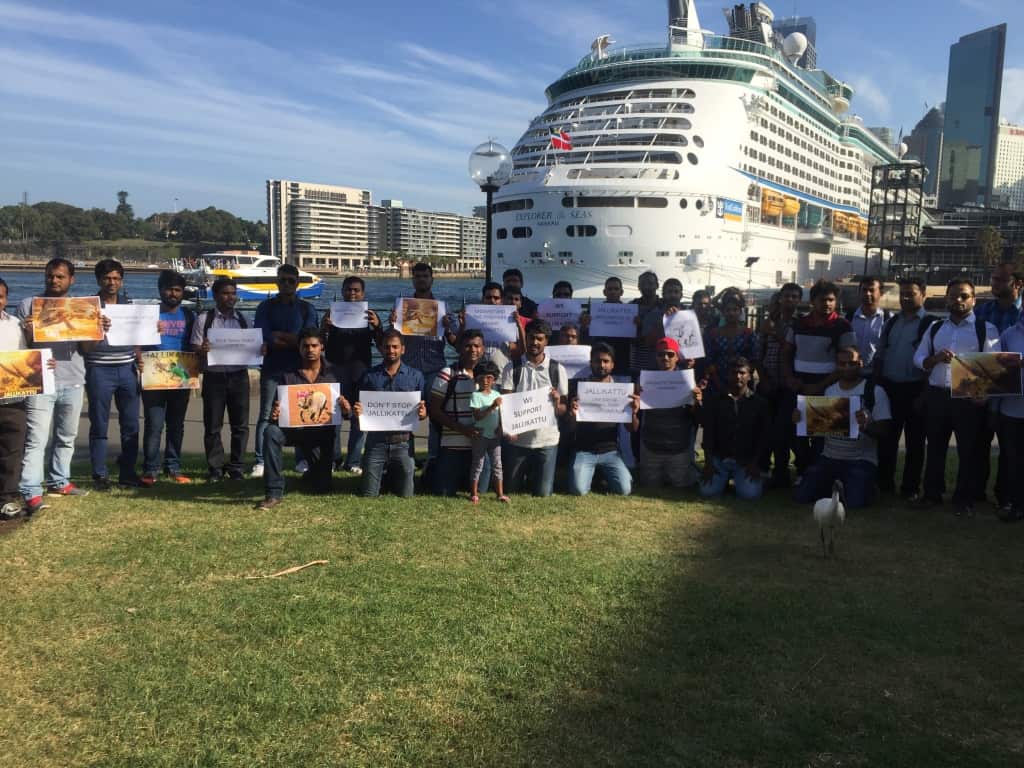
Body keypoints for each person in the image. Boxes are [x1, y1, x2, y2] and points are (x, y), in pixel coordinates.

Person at [913, 279, 1000, 516]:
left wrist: (984, 394)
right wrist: (934, 359)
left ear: (974, 299)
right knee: (935, 448)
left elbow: (994, 367)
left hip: (968, 400)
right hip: (937, 396)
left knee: (969, 451)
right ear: (946, 298)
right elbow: (919, 359)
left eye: (964, 296)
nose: (958, 300)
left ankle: (964, 499)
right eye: (953, 296)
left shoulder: (986, 329)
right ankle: (932, 494)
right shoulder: (934, 328)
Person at [17, 258, 91, 513]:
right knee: (36, 439)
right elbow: (20, 351)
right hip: (41, 382)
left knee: (66, 437)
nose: (54, 280)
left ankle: (60, 481)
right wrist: (28, 331)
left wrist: (93, 330)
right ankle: (31, 489)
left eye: (60, 276)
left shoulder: (81, 307)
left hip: (73, 380)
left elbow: (88, 349)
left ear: (72, 279)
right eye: (50, 276)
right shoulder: (29, 305)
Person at [793, 347, 892, 509]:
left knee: (854, 503)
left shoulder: (875, 391)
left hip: (860, 460)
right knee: (801, 496)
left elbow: (885, 430)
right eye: (842, 364)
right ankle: (836, 485)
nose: (847, 367)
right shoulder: (830, 390)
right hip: (829, 457)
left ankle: (865, 487)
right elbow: (818, 428)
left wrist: (866, 426)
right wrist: (801, 419)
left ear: (861, 364)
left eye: (852, 363)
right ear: (836, 366)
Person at [257, 329, 342, 509]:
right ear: (299, 348)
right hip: (293, 430)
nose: (310, 349)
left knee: (322, 488)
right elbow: (276, 409)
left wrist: (347, 409)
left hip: (321, 433)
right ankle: (273, 492)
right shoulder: (287, 374)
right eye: (305, 346)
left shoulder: (335, 373)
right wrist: (275, 413)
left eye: (314, 345)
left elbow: (346, 411)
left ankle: (313, 474)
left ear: (322, 347)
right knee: (271, 432)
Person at [782, 280, 855, 480]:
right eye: (823, 300)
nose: (828, 304)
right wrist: (789, 377)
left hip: (828, 387)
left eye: (831, 300)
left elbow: (846, 362)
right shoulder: (798, 324)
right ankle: (802, 471)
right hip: (798, 386)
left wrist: (820, 386)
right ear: (812, 301)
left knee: (822, 436)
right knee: (797, 432)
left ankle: (816, 475)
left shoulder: (842, 326)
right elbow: (786, 353)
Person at [872, 278, 937, 499]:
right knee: (887, 440)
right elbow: (881, 354)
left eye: (911, 293)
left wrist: (925, 394)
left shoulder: (931, 324)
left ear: (924, 294)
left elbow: (932, 364)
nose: (906, 298)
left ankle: (910, 488)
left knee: (915, 442)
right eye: (903, 294)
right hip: (890, 389)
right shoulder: (891, 322)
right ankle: (884, 483)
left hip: (916, 390)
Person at [252, 264, 319, 478]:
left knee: (302, 413)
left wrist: (282, 337)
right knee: (265, 415)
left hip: (300, 370)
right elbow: (264, 335)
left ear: (298, 282)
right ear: (277, 282)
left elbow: (308, 337)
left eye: (291, 280)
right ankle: (261, 461)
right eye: (283, 280)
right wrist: (289, 339)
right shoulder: (265, 307)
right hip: (272, 368)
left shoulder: (307, 308)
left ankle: (302, 459)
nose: (287, 284)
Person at [85, 259, 143, 490]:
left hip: (127, 370)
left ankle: (128, 473)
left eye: (117, 278)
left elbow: (137, 336)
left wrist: (150, 335)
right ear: (99, 280)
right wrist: (97, 329)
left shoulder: (129, 305)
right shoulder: (89, 307)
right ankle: (100, 474)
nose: (112, 282)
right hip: (99, 369)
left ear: (122, 280)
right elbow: (84, 348)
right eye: (107, 278)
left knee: (131, 424)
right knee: (99, 424)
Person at [350, 329, 426, 498]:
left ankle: (390, 477)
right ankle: (382, 477)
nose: (391, 351)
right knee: (369, 494)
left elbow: (421, 412)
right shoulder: (369, 376)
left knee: (407, 495)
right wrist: (358, 411)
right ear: (380, 349)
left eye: (395, 347)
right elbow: (359, 407)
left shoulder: (416, 376)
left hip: (404, 444)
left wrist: (422, 413)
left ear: (403, 349)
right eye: (387, 347)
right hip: (376, 442)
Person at [500, 319, 568, 497]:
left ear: (546, 341)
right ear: (525, 338)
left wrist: (557, 401)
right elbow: (505, 405)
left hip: (547, 441)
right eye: (531, 338)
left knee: (543, 494)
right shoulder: (512, 367)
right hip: (517, 441)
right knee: (511, 490)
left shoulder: (557, 369)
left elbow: (562, 410)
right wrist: (508, 430)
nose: (534, 342)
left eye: (539, 338)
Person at [191, 276, 250, 482]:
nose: (230, 297)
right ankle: (215, 468)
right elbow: (195, 348)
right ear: (215, 295)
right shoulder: (204, 319)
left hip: (239, 376)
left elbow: (250, 346)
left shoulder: (243, 319)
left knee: (240, 425)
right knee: (213, 425)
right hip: (214, 376)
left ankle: (236, 467)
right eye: (225, 293)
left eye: (233, 293)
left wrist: (259, 348)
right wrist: (202, 350)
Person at [973, 262, 1022, 506]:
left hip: (1014, 398)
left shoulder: (1020, 318)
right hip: (984, 389)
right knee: (979, 444)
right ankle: (977, 491)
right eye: (993, 279)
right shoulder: (981, 312)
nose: (994, 285)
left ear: (1018, 284)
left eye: (1001, 280)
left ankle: (1006, 496)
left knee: (1010, 450)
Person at [139, 270, 195, 486]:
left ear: (182, 293)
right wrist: (138, 358)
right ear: (160, 290)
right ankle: (150, 470)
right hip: (153, 375)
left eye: (177, 290)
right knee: (154, 424)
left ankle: (173, 466)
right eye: (168, 289)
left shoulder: (189, 316)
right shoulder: (149, 315)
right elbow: (136, 342)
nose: (172, 293)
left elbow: (195, 343)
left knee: (176, 424)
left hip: (181, 375)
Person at [322, 275, 382, 475]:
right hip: (334, 370)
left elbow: (382, 346)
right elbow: (319, 342)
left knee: (358, 417)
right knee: (334, 416)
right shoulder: (332, 313)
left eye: (356, 290)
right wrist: (324, 327)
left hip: (361, 371)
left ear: (363, 293)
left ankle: (353, 460)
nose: (352, 293)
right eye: (348, 289)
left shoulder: (370, 316)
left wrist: (378, 326)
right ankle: (333, 458)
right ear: (342, 291)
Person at [566, 343, 639, 496]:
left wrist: (633, 413)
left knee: (624, 490)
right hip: (584, 450)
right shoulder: (579, 388)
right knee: (578, 490)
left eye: (606, 361)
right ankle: (592, 477)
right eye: (597, 361)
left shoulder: (621, 392)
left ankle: (601, 477)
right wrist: (572, 414)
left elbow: (631, 429)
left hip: (610, 451)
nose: (601, 365)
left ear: (612, 365)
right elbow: (570, 428)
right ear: (590, 363)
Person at [394, 262, 448, 462]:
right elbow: (392, 337)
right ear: (413, 279)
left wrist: (449, 327)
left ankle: (433, 457)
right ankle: (406, 457)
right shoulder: (402, 305)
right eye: (417, 276)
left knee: (436, 417)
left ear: (431, 279)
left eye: (425, 276)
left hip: (435, 368)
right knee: (407, 416)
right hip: (409, 367)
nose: (421, 279)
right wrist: (393, 322)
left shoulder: (442, 307)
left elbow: (451, 339)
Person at [698, 357, 771, 500]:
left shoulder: (760, 403)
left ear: (749, 376)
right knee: (707, 492)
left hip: (746, 461)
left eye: (742, 373)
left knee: (750, 495)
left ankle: (755, 480)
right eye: (733, 373)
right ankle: (722, 481)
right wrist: (709, 463)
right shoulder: (715, 401)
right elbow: (708, 435)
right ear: (727, 375)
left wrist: (755, 463)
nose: (738, 376)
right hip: (720, 459)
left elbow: (764, 437)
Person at [636, 337, 701, 490]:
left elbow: (695, 416)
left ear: (677, 357)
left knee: (681, 485)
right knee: (650, 485)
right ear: (655, 357)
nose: (665, 358)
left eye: (670, 354)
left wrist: (697, 401)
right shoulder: (644, 379)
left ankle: (689, 466)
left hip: (679, 446)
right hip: (651, 444)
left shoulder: (687, 380)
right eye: (661, 354)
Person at [429, 330, 488, 496]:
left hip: (480, 447)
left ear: (483, 349)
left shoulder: (490, 376)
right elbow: (434, 411)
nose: (473, 350)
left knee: (481, 491)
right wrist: (462, 429)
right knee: (443, 492)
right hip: (452, 446)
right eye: (468, 346)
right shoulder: (447, 374)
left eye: (477, 346)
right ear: (459, 348)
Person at [757, 282, 802, 487]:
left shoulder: (801, 324)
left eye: (794, 296)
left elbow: (794, 351)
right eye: (786, 296)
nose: (790, 300)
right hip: (768, 383)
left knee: (785, 430)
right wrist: (763, 379)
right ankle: (763, 468)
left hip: (789, 385)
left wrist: (776, 333)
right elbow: (759, 354)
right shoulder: (766, 324)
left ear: (799, 300)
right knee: (765, 428)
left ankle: (782, 472)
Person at [0, 278, 29, 518]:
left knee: (12, 450)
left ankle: (7, 500)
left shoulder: (17, 324)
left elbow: (28, 357)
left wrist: (43, 364)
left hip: (13, 399)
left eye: (0, 296)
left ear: (6, 299)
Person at [995, 314, 1024, 521]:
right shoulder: (1009, 334)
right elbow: (995, 369)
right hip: (1012, 410)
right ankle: (1016, 505)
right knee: (1014, 462)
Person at [468, 360, 509, 504]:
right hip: (480, 435)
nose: (485, 381)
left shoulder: (497, 394)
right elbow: (477, 416)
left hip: (494, 436)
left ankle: (500, 494)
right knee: (478, 463)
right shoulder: (476, 396)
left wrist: (500, 427)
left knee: (497, 464)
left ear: (494, 379)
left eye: (489, 378)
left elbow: (502, 414)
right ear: (477, 378)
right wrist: (492, 406)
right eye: (482, 378)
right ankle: (474, 493)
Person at [704, 291, 760, 393]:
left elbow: (754, 359)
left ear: (740, 312)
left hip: (742, 383)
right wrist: (719, 384)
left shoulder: (748, 333)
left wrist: (743, 379)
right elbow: (709, 361)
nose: (731, 313)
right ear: (723, 312)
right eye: (728, 310)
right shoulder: (713, 334)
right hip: (717, 383)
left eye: (735, 310)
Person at [581, 276, 632, 375]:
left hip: (622, 358)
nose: (613, 292)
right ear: (604, 292)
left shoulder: (630, 312)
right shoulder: (593, 311)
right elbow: (585, 336)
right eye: (610, 289)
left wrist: (636, 325)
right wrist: (584, 326)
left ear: (621, 292)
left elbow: (635, 338)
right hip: (599, 360)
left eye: (616, 289)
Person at [846, 276, 890, 374]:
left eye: (871, 290)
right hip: (852, 373)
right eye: (864, 290)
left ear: (881, 293)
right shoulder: (848, 318)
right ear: (859, 292)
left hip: (877, 374)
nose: (867, 294)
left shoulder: (889, 320)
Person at [630, 271, 661, 372]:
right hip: (637, 362)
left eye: (650, 283)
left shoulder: (665, 306)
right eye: (643, 284)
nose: (647, 287)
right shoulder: (630, 307)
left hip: (661, 362)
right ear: (638, 286)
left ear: (657, 285)